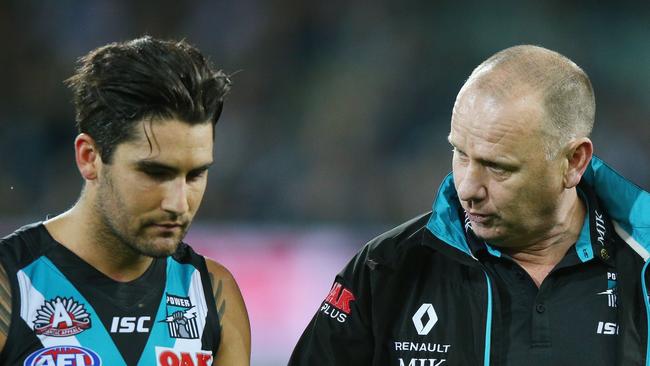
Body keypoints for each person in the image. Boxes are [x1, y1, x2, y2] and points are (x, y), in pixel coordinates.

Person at [289, 45, 650, 365]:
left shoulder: (642, 268)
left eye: (498, 167)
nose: (468, 188)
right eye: (460, 153)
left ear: (573, 162)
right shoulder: (386, 268)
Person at [0, 36, 250, 365]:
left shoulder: (215, 296)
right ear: (89, 157)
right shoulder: (11, 283)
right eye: (155, 173)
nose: (178, 203)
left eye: (194, 176)